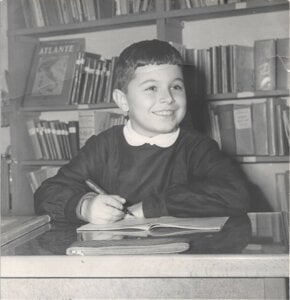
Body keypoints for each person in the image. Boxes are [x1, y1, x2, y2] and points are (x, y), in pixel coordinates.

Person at [34, 39, 251, 224]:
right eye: (151, 88)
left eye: (176, 86)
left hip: (181, 258)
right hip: (117, 260)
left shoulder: (197, 147)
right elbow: (47, 193)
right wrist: (84, 206)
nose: (168, 98)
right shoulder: (103, 146)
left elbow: (236, 193)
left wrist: (151, 208)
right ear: (123, 101)